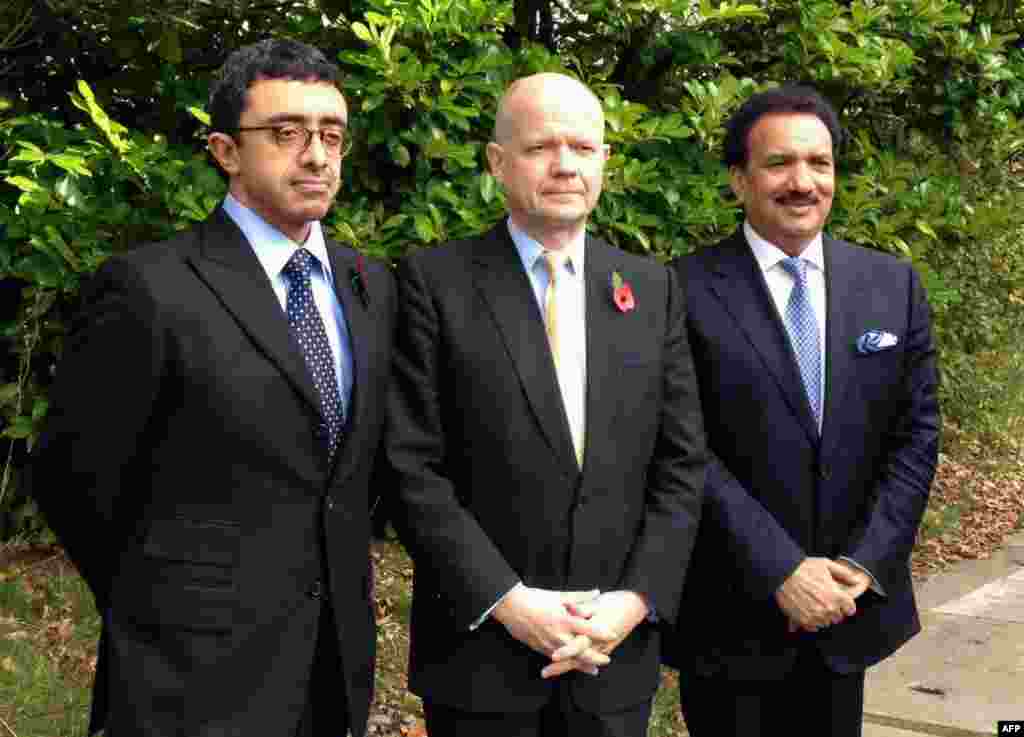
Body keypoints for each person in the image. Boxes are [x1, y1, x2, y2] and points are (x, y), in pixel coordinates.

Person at [30, 39, 395, 737]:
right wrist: (162, 602)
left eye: (331, 134)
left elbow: (352, 475)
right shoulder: (150, 289)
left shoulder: (371, 285)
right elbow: (73, 479)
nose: (316, 155)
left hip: (331, 670)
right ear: (226, 150)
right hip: (187, 681)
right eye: (285, 133)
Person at [385, 72, 706, 736]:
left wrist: (632, 601)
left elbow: (680, 465)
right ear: (498, 163)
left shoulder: (651, 289)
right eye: (541, 148)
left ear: (605, 163)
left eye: (583, 148)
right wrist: (507, 600)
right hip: (482, 658)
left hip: (610, 656)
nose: (565, 165)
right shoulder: (435, 283)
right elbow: (411, 466)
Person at [662, 84, 940, 736]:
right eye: (780, 163)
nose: (803, 181)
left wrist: (864, 566)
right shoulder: (678, 289)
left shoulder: (891, 285)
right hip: (731, 618)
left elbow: (916, 434)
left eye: (820, 163)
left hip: (850, 611)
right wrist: (779, 568)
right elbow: (680, 443)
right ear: (739, 179)